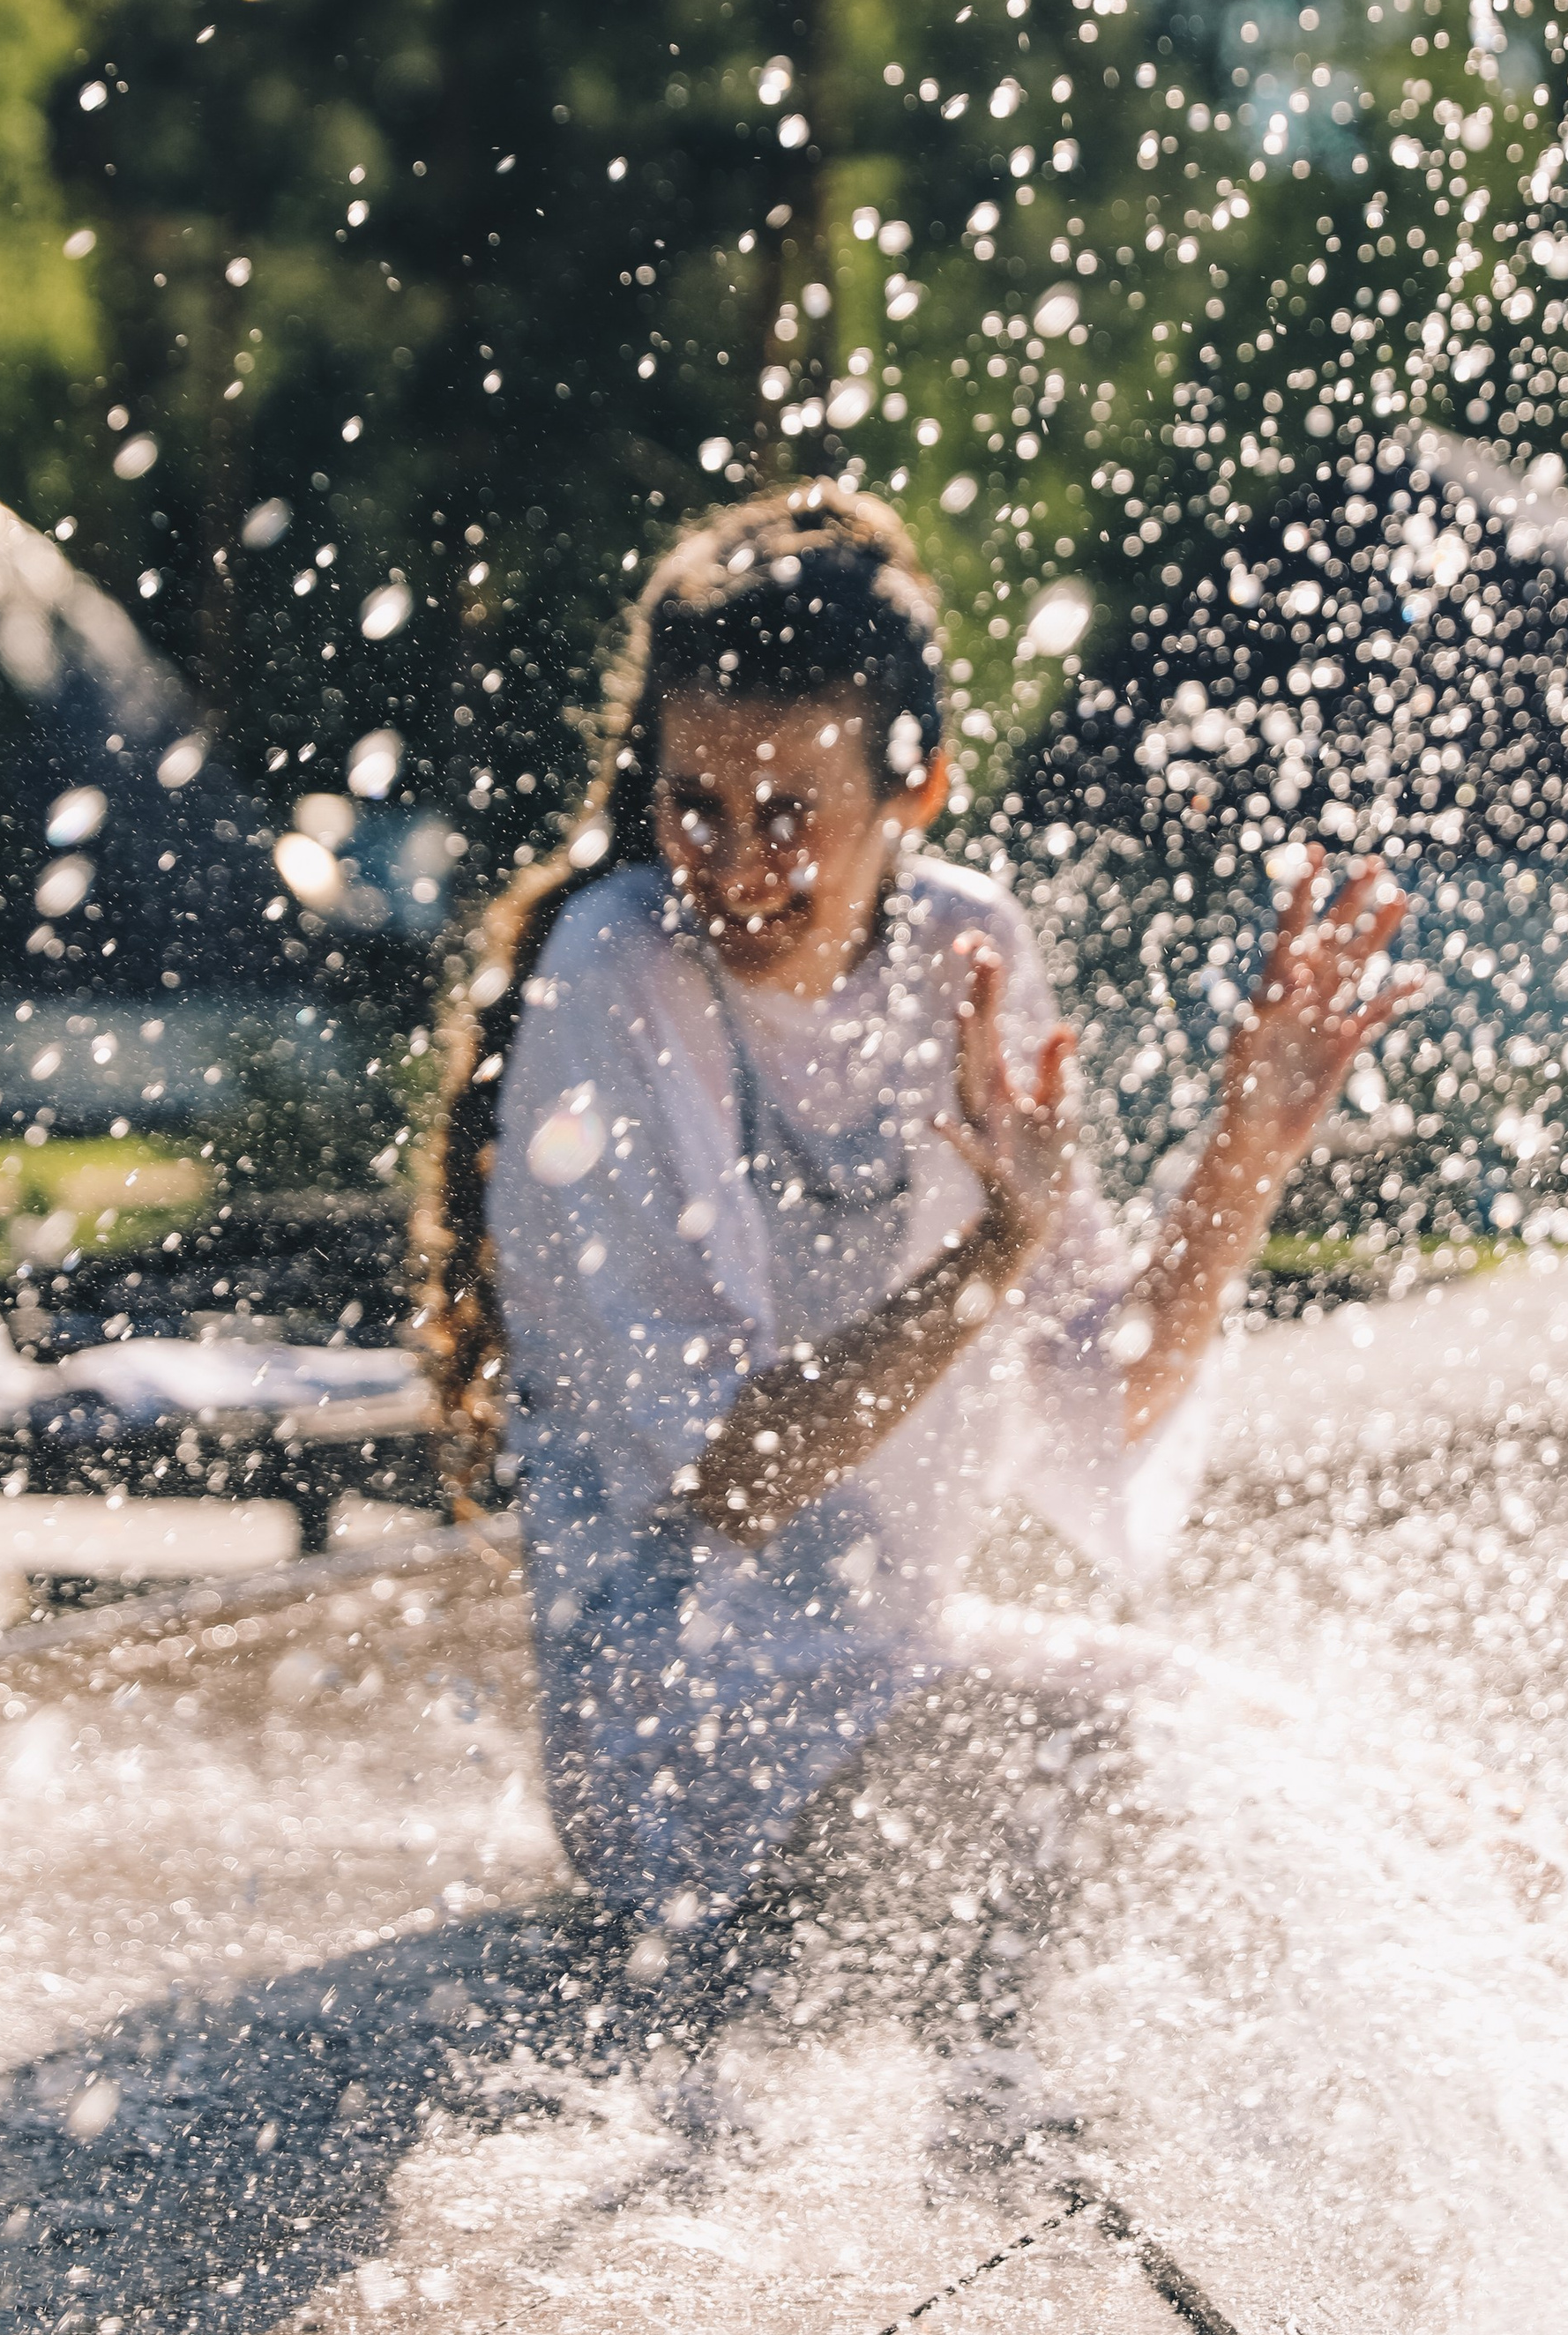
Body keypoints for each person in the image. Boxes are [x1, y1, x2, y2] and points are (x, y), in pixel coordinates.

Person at [421, 482, 1410, 2107]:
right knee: (1172, 1801)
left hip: (901, 1665)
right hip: (679, 1737)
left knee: (1330, 1783)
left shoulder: (966, 946)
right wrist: (981, 1270)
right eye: (697, 805)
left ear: (918, 787)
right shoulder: (608, 975)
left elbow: (1102, 1392)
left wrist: (1248, 1151)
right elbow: (729, 1479)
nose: (737, 866)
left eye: (793, 812)